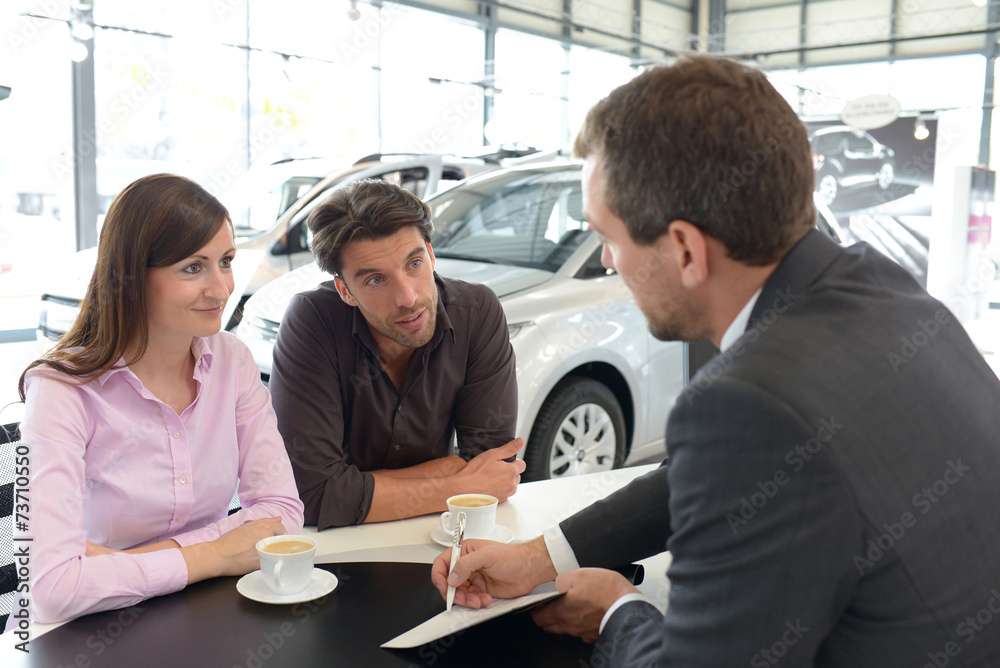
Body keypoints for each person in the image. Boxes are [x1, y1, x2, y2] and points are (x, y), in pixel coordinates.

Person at [432, 56, 1000, 666]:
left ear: (684, 248)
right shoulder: (882, 287)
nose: (606, 261)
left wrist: (618, 614)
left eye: (610, 236)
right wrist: (539, 557)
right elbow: (703, 477)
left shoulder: (746, 403)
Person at [15, 174, 304, 626]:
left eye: (225, 261)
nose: (222, 288)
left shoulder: (232, 361)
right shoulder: (61, 389)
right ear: (132, 277)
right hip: (83, 632)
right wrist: (216, 554)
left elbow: (282, 514)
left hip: (200, 613)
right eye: (193, 267)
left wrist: (113, 564)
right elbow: (52, 589)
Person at [269, 180, 525, 529]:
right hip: (334, 548)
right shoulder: (314, 322)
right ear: (345, 290)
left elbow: (493, 468)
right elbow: (311, 493)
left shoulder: (476, 312)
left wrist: (357, 487)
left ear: (431, 255)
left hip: (437, 534)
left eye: (414, 263)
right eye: (376, 280)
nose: (407, 297)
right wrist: (456, 484)